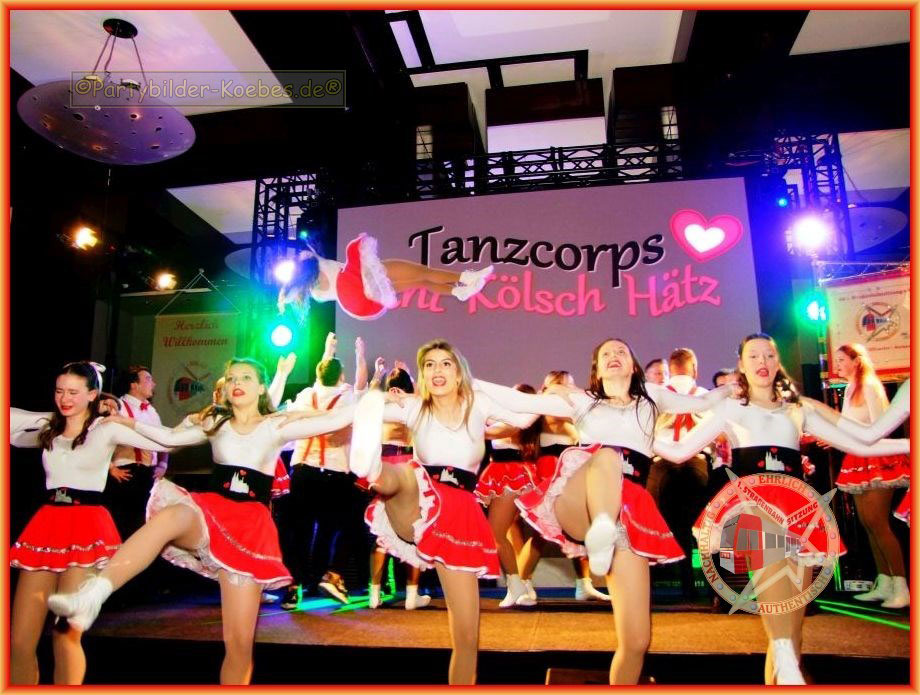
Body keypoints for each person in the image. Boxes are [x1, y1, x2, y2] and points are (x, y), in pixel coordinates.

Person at [46, 358, 357, 684]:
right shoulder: (215, 423)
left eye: (246, 377)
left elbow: (337, 418)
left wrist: (376, 401)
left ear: (261, 387)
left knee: (238, 646)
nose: (237, 383)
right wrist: (124, 422)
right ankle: (92, 595)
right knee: (172, 515)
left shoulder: (275, 425)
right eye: (232, 377)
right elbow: (168, 438)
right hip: (211, 513)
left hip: (249, 530)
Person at [654, 334, 909, 685]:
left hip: (796, 506)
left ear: (777, 362)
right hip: (751, 502)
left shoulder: (798, 408)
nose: (762, 361)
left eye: (769, 355)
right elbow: (680, 451)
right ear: (742, 365)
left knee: (793, 623)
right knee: (769, 555)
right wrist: (636, 434)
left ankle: (784, 662)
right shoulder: (730, 408)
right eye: (753, 356)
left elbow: (866, 440)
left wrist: (908, 429)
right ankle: (784, 653)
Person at [475, 338, 733, 684]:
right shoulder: (584, 401)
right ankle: (600, 528)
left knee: (637, 640)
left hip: (628, 514)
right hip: (579, 501)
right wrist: (471, 382)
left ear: (633, 365)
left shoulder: (651, 400)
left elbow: (695, 416)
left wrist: (731, 394)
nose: (614, 355)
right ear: (596, 369)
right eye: (606, 353)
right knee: (608, 456)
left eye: (621, 351)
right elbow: (521, 401)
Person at [347, 339, 540, 684]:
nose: (437, 370)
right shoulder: (413, 407)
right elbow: (351, 409)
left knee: (467, 637)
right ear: (422, 375)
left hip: (459, 515)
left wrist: (483, 385)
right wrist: (374, 399)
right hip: (418, 501)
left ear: (459, 372)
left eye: (446, 363)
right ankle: (371, 468)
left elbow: (526, 416)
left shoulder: (478, 404)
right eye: (430, 365)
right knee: (405, 475)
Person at [10, 362, 170, 685]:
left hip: (85, 527)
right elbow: (12, 427)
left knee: (65, 634)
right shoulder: (50, 428)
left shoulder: (104, 429)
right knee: (19, 641)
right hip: (46, 526)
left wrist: (125, 420)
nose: (64, 398)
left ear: (93, 394)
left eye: (73, 392)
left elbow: (167, 442)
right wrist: (46, 418)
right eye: (59, 391)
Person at [282, 333, 368, 606]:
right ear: (341, 376)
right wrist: (360, 355)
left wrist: (328, 349)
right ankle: (328, 575)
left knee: (300, 530)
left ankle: (296, 583)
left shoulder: (307, 395)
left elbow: (322, 378)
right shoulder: (347, 397)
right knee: (340, 526)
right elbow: (362, 385)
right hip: (334, 473)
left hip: (303, 470)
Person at [516, 370, 610, 604]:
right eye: (560, 387)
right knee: (541, 535)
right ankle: (521, 584)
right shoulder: (544, 418)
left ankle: (584, 585)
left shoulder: (572, 418)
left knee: (577, 532)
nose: (567, 392)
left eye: (570, 387)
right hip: (548, 485)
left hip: (572, 484)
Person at [828, 344, 910, 608]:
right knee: (867, 523)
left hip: (877, 458)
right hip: (857, 457)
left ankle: (902, 586)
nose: (837, 365)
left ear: (856, 361)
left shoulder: (870, 386)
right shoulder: (850, 388)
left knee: (878, 521)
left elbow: (879, 427)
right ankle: (884, 582)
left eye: (842, 360)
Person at [277, 232, 493, 320]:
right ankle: (464, 280)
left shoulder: (316, 290)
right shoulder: (315, 266)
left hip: (366, 289)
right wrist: (284, 292)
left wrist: (283, 296)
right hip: (364, 280)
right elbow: (302, 260)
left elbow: (292, 291)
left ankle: (460, 289)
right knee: (423, 274)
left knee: (421, 280)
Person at [647, 348, 711, 600]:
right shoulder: (705, 396)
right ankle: (705, 588)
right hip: (696, 462)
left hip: (661, 463)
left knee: (651, 523)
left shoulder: (656, 395)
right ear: (694, 369)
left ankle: (646, 589)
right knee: (701, 526)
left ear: (670, 370)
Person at [367, 365, 431, 610]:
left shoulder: (380, 406)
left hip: (383, 467)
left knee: (381, 532)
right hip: (407, 468)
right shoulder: (415, 405)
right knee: (414, 531)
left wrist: (377, 378)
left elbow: (365, 401)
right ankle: (412, 596)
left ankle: (374, 594)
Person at [475, 384, 541, 608]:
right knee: (508, 531)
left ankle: (516, 586)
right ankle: (519, 584)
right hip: (504, 474)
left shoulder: (516, 422)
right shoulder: (510, 419)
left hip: (509, 476)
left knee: (496, 534)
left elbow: (487, 431)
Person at [106, 366, 168, 547]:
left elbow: (164, 439)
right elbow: (102, 438)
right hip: (126, 472)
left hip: (148, 474)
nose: (153, 383)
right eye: (148, 379)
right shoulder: (119, 406)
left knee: (145, 523)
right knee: (123, 524)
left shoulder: (151, 411)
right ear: (134, 384)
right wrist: (111, 468)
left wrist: (162, 465)